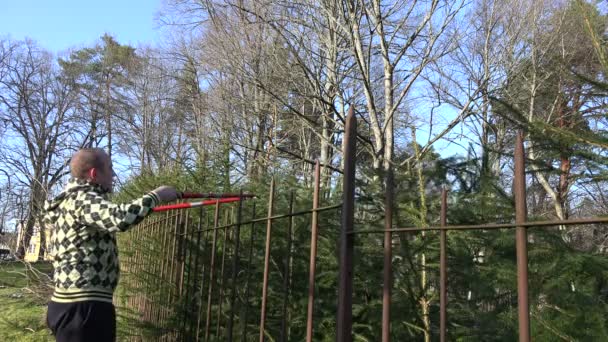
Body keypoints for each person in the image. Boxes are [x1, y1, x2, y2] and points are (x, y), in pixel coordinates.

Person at [43, 148, 179, 342]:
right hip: (82, 308)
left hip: (76, 305)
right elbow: (119, 218)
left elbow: (112, 214)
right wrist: (157, 195)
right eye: (110, 168)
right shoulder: (82, 199)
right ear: (94, 174)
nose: (114, 174)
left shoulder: (73, 200)